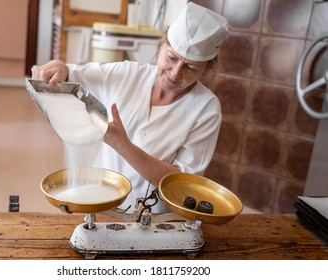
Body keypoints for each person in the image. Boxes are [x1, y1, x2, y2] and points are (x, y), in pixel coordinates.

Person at [31, 2, 228, 213]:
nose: (174, 73)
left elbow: (183, 185)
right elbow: (71, 74)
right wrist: (59, 67)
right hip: (102, 203)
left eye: (190, 67)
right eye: (171, 58)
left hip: (153, 218)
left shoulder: (206, 109)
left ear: (206, 69)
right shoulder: (127, 74)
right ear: (161, 46)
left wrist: (123, 145)